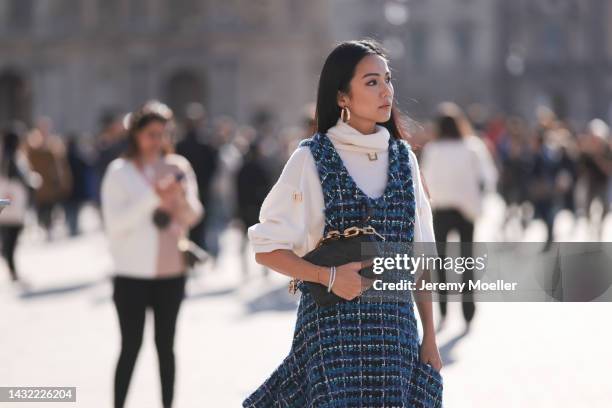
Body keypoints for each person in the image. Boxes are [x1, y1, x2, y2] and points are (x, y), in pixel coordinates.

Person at [244, 40, 443, 407]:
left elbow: (422, 260)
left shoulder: (404, 159)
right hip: (331, 333)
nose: (386, 91)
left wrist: (429, 337)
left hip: (395, 334)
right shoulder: (310, 157)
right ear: (342, 97)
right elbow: (265, 247)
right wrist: (329, 277)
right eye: (371, 82)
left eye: (387, 79)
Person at [101, 100, 203, 408]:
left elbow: (194, 215)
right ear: (136, 135)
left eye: (163, 133)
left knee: (166, 347)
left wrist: (181, 200)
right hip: (130, 273)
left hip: (171, 271)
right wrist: (152, 197)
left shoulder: (179, 166)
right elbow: (115, 225)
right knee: (130, 346)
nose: (157, 140)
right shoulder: (119, 172)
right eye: (151, 134)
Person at [420, 102, 497, 328]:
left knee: (440, 261)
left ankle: (443, 308)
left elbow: (425, 181)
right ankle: (468, 309)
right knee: (466, 261)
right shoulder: (473, 147)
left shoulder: (433, 149)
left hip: (441, 210)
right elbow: (489, 176)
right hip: (467, 210)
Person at [0, 123, 37, 281]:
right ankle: (12, 269)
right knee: (11, 237)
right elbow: (18, 178)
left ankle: (11, 267)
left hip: (5, 202)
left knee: (8, 237)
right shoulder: (12, 157)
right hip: (10, 203)